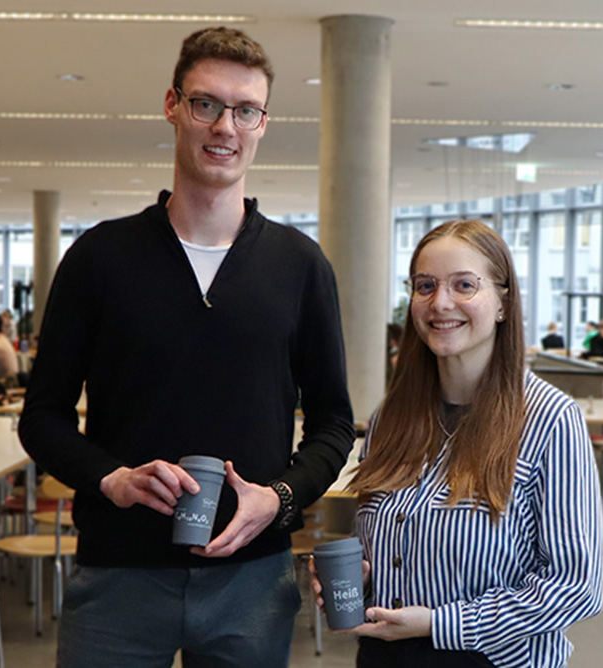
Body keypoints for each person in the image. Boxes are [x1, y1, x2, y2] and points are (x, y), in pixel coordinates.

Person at [18, 27, 355, 667]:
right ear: (173, 105)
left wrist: (279, 500)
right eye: (207, 104)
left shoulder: (299, 265)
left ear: (262, 123)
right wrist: (110, 478)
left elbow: (335, 423)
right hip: (118, 575)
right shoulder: (100, 258)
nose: (224, 126)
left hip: (252, 581)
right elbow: (43, 415)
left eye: (245, 110)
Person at [316, 220, 603, 667]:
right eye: (425, 286)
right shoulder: (390, 419)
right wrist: (363, 580)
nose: (441, 302)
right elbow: (389, 546)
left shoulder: (551, 421)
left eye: (464, 285)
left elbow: (576, 588)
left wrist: (438, 623)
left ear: (503, 303)